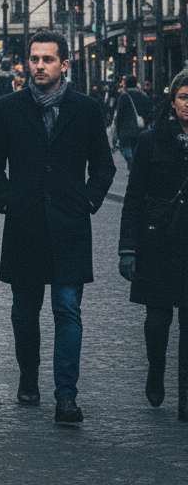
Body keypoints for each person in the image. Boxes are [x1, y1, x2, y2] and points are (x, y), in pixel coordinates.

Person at [0, 30, 115, 424]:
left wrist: (88, 201)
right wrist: (8, 199)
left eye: (48, 59)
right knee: (24, 311)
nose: (39, 66)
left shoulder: (86, 109)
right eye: (34, 59)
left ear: (64, 64)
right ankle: (28, 376)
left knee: (68, 310)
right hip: (25, 225)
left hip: (70, 227)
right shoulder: (7, 108)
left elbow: (104, 166)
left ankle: (66, 395)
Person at [117, 68, 188, 419]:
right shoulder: (151, 140)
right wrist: (127, 248)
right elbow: (133, 198)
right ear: (172, 101)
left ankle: (185, 395)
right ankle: (156, 368)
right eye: (183, 97)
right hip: (158, 238)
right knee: (158, 320)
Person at [115, 74, 151, 172]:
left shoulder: (124, 96)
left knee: (127, 151)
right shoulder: (143, 96)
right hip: (140, 129)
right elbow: (149, 112)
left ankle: (132, 167)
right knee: (137, 151)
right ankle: (135, 168)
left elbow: (120, 116)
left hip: (126, 130)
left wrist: (118, 131)